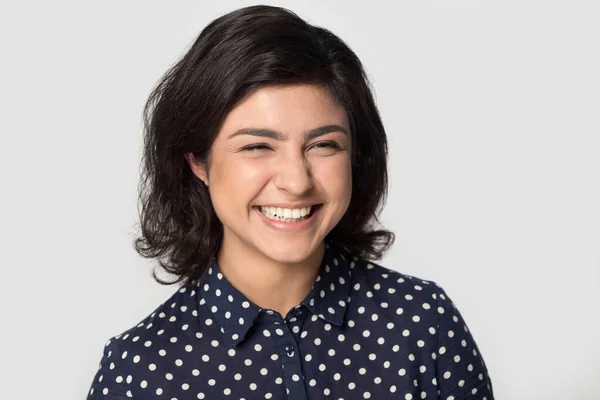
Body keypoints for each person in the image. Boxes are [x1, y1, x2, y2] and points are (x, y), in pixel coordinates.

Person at [86, 5, 494, 399]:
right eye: (258, 146)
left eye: (323, 144)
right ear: (198, 161)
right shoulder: (138, 373)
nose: (296, 181)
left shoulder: (424, 324)